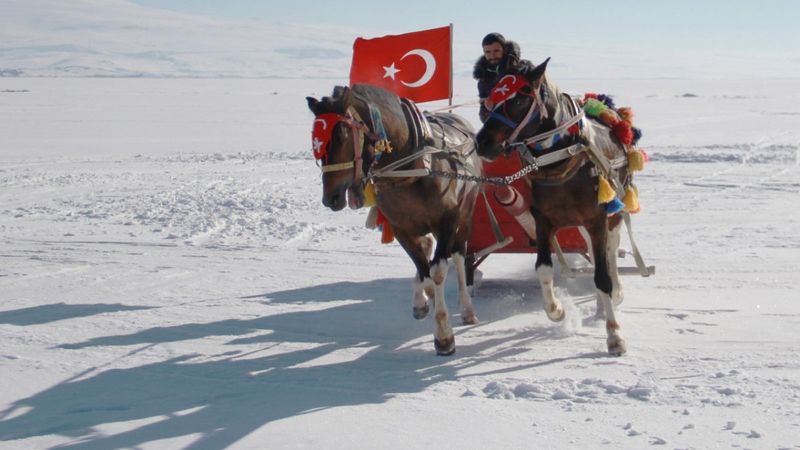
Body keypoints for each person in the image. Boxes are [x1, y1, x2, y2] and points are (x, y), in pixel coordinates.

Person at [473, 32, 521, 122]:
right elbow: (483, 113)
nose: (492, 56)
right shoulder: (484, 79)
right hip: (499, 129)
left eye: (496, 51)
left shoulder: (519, 72)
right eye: (488, 52)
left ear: (504, 49)